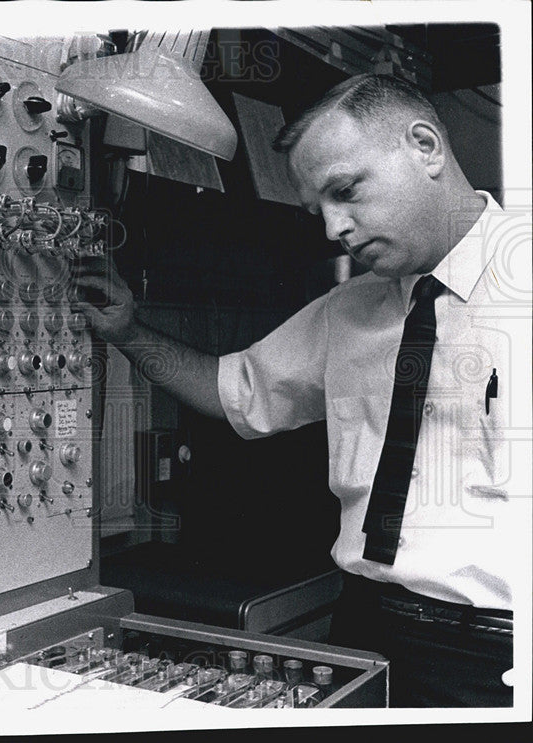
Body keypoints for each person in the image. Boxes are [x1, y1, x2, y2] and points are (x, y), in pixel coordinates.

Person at [72, 73, 531, 707]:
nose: (333, 229)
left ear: (425, 146)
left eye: (346, 191)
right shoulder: (348, 310)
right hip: (364, 628)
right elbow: (235, 390)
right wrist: (126, 330)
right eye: (320, 209)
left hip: (496, 652)